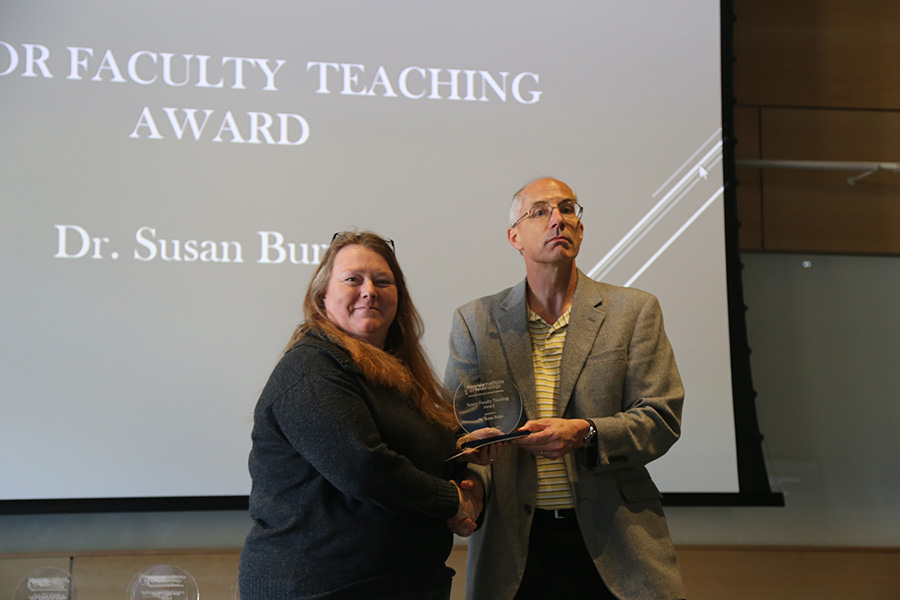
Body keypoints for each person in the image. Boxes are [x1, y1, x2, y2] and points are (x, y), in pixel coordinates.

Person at [445, 177, 686, 600]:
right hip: (514, 547)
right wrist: (473, 484)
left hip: (616, 540)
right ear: (514, 237)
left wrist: (586, 432)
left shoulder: (633, 311)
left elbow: (660, 418)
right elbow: (461, 430)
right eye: (540, 211)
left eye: (569, 209)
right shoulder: (476, 322)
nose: (558, 219)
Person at [239, 230, 482, 600]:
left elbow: (429, 455)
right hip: (320, 588)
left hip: (399, 583)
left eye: (383, 281)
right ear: (322, 295)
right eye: (353, 279)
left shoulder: (398, 375)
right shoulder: (311, 368)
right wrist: (451, 501)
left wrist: (468, 463)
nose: (369, 290)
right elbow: (365, 469)